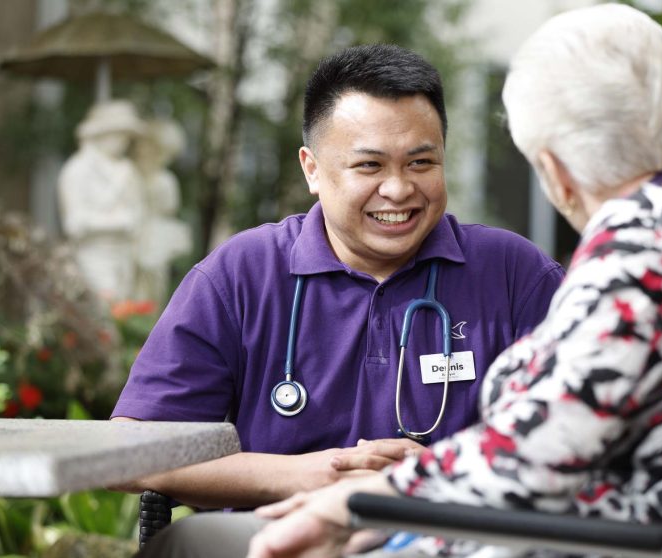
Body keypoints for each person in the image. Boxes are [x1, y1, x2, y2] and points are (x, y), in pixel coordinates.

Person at [240, 5, 662, 558]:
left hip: (597, 541)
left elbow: (535, 454)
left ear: (556, 171)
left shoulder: (645, 243)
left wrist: (353, 503)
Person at [113, 43, 563, 524]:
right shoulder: (242, 274)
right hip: (275, 539)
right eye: (370, 165)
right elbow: (131, 449)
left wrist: (440, 475)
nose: (398, 189)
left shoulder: (514, 274)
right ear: (312, 169)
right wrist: (307, 476)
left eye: (421, 163)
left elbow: (579, 437)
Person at [58, 100, 145, 301]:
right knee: (101, 309)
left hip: (124, 257)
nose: (123, 141)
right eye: (118, 134)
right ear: (100, 133)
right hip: (93, 257)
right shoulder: (77, 170)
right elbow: (74, 223)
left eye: (126, 136)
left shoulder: (127, 170)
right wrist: (118, 222)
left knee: (125, 310)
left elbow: (138, 210)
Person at [132, 117, 192, 306]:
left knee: (152, 287)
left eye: (149, 147)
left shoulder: (165, 180)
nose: (143, 151)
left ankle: (145, 319)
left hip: (154, 236)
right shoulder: (131, 173)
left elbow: (169, 208)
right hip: (133, 232)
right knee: (132, 286)